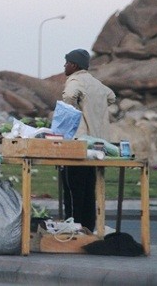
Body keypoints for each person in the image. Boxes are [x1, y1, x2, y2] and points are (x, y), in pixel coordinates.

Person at [59, 48, 116, 231]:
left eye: (67, 62)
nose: (64, 66)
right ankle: (89, 228)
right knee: (89, 190)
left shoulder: (75, 80)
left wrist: (70, 110)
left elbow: (69, 96)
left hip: (80, 143)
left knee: (73, 190)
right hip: (97, 145)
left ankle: (74, 229)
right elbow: (111, 97)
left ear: (74, 65)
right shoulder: (96, 83)